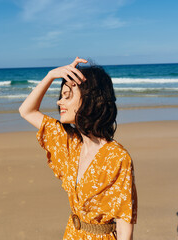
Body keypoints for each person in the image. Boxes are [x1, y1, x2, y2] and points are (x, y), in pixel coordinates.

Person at [19, 57, 137, 240]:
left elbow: (124, 227)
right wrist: (51, 75)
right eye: (61, 95)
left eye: (68, 95)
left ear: (90, 100)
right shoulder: (70, 143)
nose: (59, 102)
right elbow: (26, 110)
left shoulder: (117, 157)